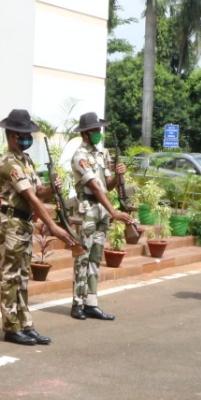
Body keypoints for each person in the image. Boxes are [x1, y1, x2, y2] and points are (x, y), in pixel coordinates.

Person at [0, 109, 76, 345]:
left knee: (21, 277)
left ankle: (25, 324)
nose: (28, 139)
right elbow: (30, 196)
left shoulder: (26, 161)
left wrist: (53, 188)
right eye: (24, 135)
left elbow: (38, 192)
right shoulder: (9, 163)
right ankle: (11, 327)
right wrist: (53, 225)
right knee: (10, 276)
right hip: (11, 223)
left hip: (24, 223)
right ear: (12, 136)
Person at [68, 111, 134, 320]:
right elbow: (95, 187)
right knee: (82, 257)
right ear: (85, 133)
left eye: (99, 129)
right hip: (87, 208)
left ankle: (91, 302)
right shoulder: (79, 156)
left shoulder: (102, 154)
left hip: (102, 210)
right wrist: (114, 211)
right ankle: (77, 303)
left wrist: (118, 175)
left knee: (96, 257)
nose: (98, 133)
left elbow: (107, 185)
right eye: (95, 130)